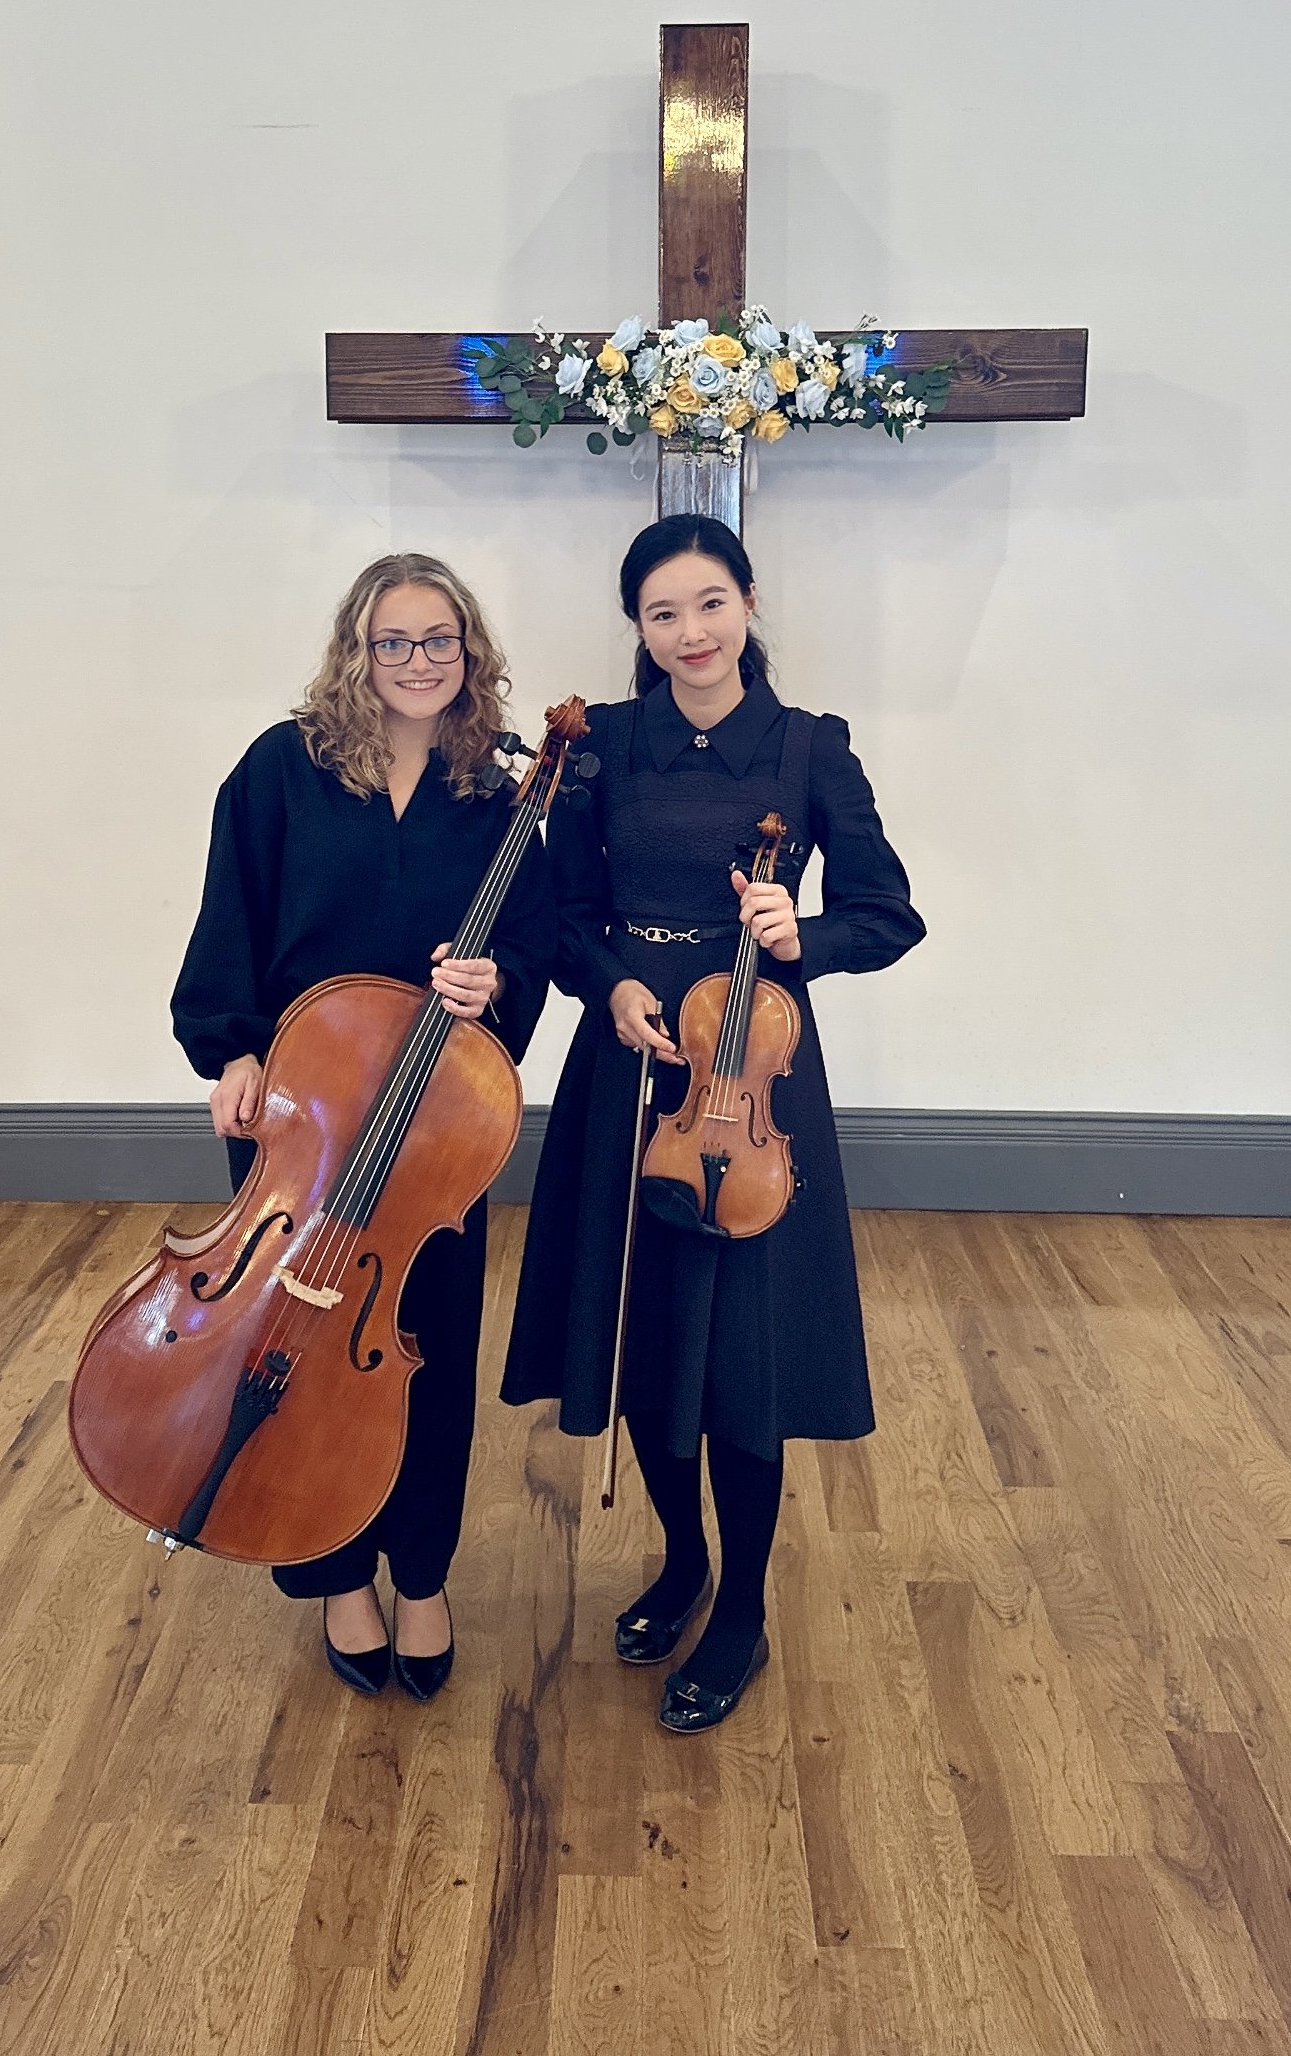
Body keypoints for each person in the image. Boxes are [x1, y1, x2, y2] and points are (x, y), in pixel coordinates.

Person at [502, 515, 925, 1733]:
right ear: (638, 628)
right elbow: (566, 908)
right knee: (641, 1335)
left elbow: (890, 914)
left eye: (709, 604)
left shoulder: (807, 749)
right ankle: (680, 1560)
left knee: (739, 1353)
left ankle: (740, 1599)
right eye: (662, 614)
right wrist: (610, 983)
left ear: (748, 602)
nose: (689, 633)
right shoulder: (603, 746)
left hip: (755, 1078)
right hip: (632, 1069)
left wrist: (806, 938)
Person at [172, 553, 555, 1700]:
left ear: (469, 653)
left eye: (440, 640)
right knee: (290, 1353)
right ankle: (337, 1571)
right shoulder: (279, 770)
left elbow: (531, 945)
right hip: (299, 1113)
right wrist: (228, 1047)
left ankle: (423, 1574)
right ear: (357, 649)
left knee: (419, 1356)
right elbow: (228, 914)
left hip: (432, 1130)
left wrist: (497, 984)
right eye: (395, 641)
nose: (419, 661)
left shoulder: (496, 788)